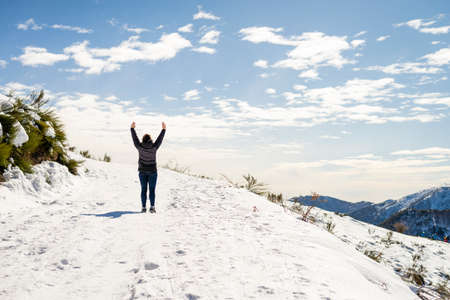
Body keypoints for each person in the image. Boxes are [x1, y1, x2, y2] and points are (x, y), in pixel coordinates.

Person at [130, 121, 166, 213]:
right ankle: (152, 207)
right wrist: (163, 130)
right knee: (152, 190)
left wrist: (132, 129)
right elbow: (160, 139)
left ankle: (143, 207)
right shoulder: (154, 147)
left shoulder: (140, 147)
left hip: (142, 171)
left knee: (143, 189)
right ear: (150, 139)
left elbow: (135, 139)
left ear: (143, 140)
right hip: (153, 171)